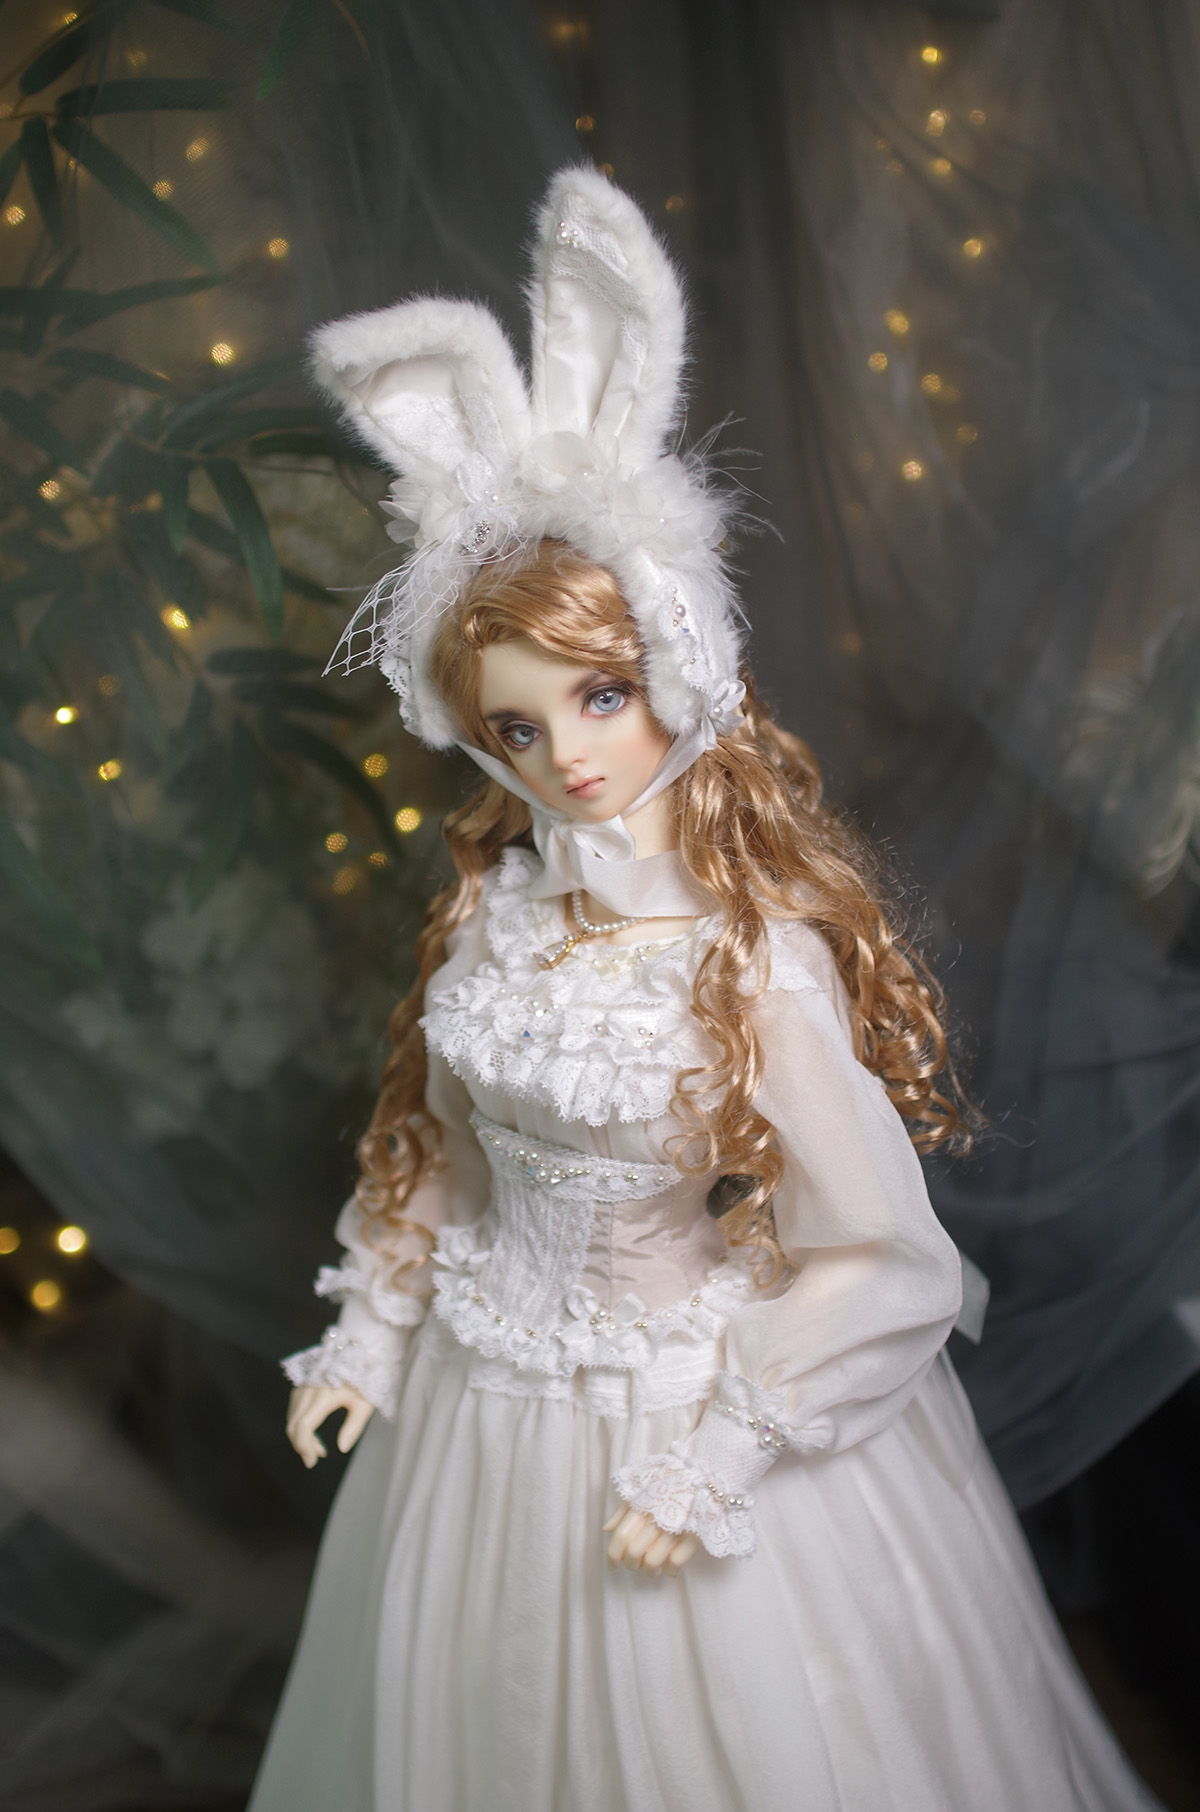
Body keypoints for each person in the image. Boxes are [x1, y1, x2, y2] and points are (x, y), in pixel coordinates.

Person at [248, 168, 1158, 1812]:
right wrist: (368, 1332)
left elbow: (882, 1252)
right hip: (479, 1414)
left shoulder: (748, 957)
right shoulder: (494, 918)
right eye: (517, 726)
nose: (567, 755)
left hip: (673, 1412)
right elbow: (440, 1151)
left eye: (599, 696)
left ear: (676, 664)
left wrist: (722, 1443)